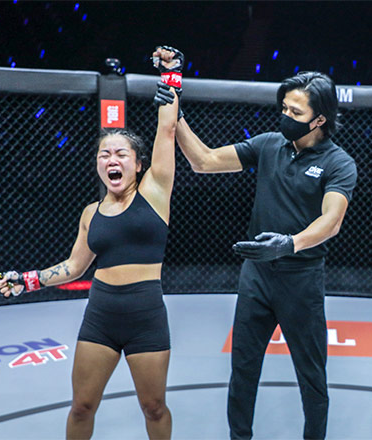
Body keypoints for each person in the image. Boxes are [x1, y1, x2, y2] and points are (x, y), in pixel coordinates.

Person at [153, 46, 357, 440]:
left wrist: (288, 244)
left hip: (301, 279)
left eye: (295, 112)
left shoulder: (338, 163)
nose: (286, 116)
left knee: (312, 376)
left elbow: (331, 222)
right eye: (284, 108)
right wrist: (176, 115)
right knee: (243, 369)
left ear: (319, 119)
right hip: (257, 277)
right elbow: (204, 161)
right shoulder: (268, 144)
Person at [0, 47, 183, 439]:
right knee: (81, 406)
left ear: (139, 164)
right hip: (101, 314)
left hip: (146, 314)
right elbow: (75, 267)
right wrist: (27, 280)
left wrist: (171, 73)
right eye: (104, 154)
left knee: (154, 407)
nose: (112, 159)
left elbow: (167, 130)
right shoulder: (90, 213)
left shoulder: (154, 192)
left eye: (121, 154)